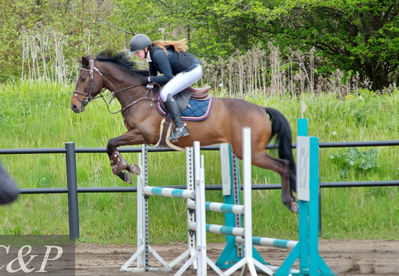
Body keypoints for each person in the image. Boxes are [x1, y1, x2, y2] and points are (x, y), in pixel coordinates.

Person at [129, 34, 203, 142]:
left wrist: (149, 79)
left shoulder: (158, 54)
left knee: (165, 93)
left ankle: (180, 127)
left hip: (192, 71)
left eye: (137, 51)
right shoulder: (150, 56)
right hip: (183, 71)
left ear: (145, 48)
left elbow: (168, 77)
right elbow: (152, 76)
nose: (136, 54)